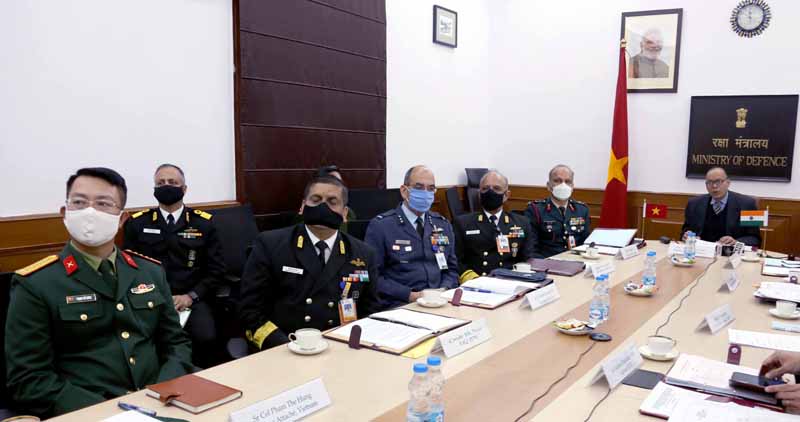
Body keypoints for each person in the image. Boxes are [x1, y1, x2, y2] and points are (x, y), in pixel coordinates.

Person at [5, 168, 193, 418]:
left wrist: (163, 391)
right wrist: (110, 414)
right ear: (65, 213)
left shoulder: (150, 271)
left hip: (162, 402)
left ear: (122, 218)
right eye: (79, 202)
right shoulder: (36, 284)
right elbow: (29, 379)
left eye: (103, 203)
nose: (90, 212)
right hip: (89, 413)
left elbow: (176, 343)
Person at [238, 176, 381, 350]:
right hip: (285, 345)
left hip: (340, 346)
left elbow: (370, 311)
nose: (323, 207)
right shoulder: (270, 245)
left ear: (344, 214)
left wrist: (353, 345)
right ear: (302, 206)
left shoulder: (363, 254)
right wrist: (283, 345)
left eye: (332, 202)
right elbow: (250, 310)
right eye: (316, 200)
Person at [123, 164, 226, 368]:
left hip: (191, 298)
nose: (166, 186)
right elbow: (128, 268)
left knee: (206, 337)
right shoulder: (137, 223)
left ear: (184, 189)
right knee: (143, 342)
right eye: (160, 183)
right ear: (154, 189)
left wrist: (190, 296)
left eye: (172, 182)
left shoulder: (204, 223)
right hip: (150, 298)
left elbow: (217, 270)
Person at [365, 165, 458, 308]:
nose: (425, 193)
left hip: (440, 301)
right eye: (419, 187)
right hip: (399, 303)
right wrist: (410, 295)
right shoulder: (381, 226)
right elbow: (373, 276)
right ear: (404, 191)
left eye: (431, 188)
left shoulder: (443, 224)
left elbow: (451, 269)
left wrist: (444, 290)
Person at [454, 170, 536, 282]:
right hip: (478, 282)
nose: (490, 192)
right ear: (479, 194)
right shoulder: (463, 223)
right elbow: (456, 260)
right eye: (485, 188)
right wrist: (473, 279)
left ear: (506, 195)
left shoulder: (521, 223)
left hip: (510, 280)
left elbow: (528, 258)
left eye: (496, 188)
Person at [681, 167, 761, 247]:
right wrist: (686, 235)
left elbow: (755, 239)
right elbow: (685, 230)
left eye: (718, 181)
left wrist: (735, 242)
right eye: (709, 182)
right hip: (701, 251)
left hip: (730, 252)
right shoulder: (693, 203)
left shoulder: (749, 204)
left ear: (728, 183)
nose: (714, 186)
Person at [525, 164, 591, 258]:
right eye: (557, 181)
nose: (563, 185)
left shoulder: (582, 210)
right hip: (547, 262)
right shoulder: (535, 210)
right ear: (549, 186)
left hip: (576, 261)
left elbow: (585, 245)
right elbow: (531, 248)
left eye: (567, 181)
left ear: (572, 186)